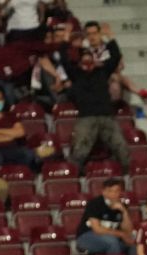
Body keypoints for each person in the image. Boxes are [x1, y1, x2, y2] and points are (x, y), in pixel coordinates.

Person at [58, 32, 130, 170]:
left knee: (120, 146)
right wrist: (66, 40)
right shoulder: (76, 74)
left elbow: (115, 57)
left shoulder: (102, 72)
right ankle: (74, 175)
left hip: (106, 116)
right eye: (84, 62)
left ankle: (128, 174)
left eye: (90, 61)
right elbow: (64, 59)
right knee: (79, 150)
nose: (87, 65)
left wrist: (110, 38)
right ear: (79, 63)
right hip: (86, 117)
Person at [76, 178, 138, 255]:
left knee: (134, 239)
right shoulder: (95, 204)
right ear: (104, 192)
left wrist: (124, 212)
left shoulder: (122, 206)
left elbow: (128, 230)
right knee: (112, 241)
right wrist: (121, 234)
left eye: (116, 191)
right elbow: (97, 229)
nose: (113, 194)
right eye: (110, 191)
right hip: (86, 237)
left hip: (112, 237)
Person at [0, 87, 42, 170]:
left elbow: (21, 132)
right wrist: (11, 135)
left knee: (29, 154)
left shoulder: (11, 115)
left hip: (13, 149)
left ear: (3, 101)